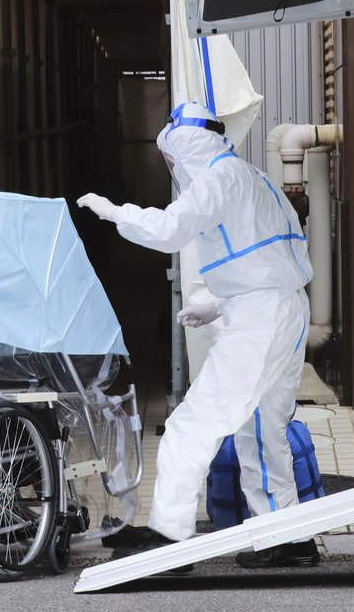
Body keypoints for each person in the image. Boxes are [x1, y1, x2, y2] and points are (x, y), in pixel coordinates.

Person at [77, 101, 319, 569]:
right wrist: (219, 304)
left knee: (193, 423)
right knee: (261, 429)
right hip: (284, 309)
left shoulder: (217, 179)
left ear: (182, 149)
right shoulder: (251, 176)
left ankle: (171, 534)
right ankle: (285, 535)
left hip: (260, 319)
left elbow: (169, 230)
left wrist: (112, 212)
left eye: (171, 159)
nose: (172, 170)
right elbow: (266, 258)